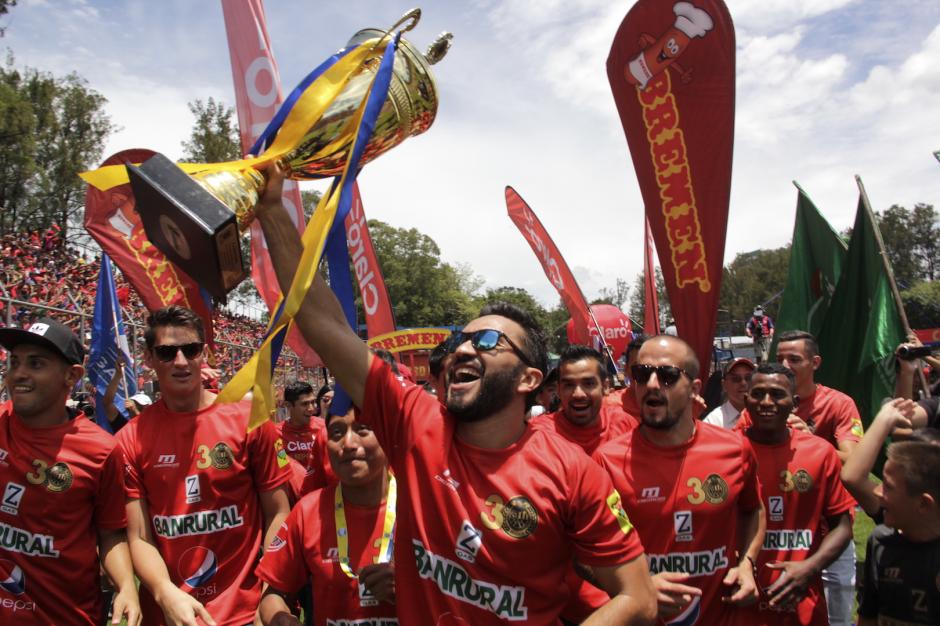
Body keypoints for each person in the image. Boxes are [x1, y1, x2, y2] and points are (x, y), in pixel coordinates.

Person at [255, 167, 657, 625]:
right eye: (460, 341)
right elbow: (324, 323)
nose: (463, 349)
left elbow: (637, 597)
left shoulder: (574, 473)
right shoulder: (416, 422)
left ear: (528, 379)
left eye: (487, 342)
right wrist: (273, 211)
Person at [116, 305, 292, 626]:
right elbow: (139, 537)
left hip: (244, 615)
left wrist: (271, 590)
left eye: (191, 350)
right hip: (170, 616)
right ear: (149, 358)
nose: (181, 361)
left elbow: (278, 512)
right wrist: (164, 592)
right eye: (167, 353)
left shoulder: (250, 420)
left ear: (206, 354)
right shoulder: (130, 438)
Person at [594, 334, 765, 625]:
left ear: (694, 389)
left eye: (667, 376)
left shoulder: (735, 449)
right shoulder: (607, 460)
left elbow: (753, 509)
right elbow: (585, 553)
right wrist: (634, 588)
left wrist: (747, 563)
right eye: (642, 374)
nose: (651, 385)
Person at [0, 317, 140, 625]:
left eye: (36, 363)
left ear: (71, 375)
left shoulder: (101, 451)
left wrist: (126, 586)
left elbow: (110, 533)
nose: (19, 373)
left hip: (65, 616)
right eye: (15, 362)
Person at [257, 407, 397, 626]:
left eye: (363, 429)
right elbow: (273, 594)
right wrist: (281, 618)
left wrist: (412, 586)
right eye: (337, 433)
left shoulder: (420, 506)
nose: (348, 443)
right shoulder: (307, 512)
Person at [739, 363, 854, 625]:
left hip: (803, 605)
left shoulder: (821, 452)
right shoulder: (726, 451)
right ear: (746, 401)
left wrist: (810, 567)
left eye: (777, 394)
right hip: (740, 604)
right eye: (758, 394)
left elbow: (842, 525)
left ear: (794, 402)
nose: (766, 402)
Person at [773, 330, 862, 626]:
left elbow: (854, 460)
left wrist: (810, 441)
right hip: (781, 532)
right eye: (779, 358)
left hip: (830, 531)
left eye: (794, 359)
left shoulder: (838, 403)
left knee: (837, 618)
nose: (785, 366)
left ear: (815, 363)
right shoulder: (765, 403)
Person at [858, 440, 940, 625]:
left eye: (888, 486)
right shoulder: (881, 542)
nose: (877, 491)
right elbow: (868, 616)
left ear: (923, 503)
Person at [530, 345, 636, 455]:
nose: (578, 394)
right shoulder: (538, 433)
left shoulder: (624, 424)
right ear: (559, 390)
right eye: (569, 385)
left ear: (605, 387)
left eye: (588, 384)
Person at [278, 380, 331, 499]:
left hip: (323, 496)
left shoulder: (324, 427)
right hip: (295, 500)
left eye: (313, 402)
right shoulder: (276, 435)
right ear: (288, 405)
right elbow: (282, 466)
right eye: (305, 404)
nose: (311, 408)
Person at [702, 358, 755, 429]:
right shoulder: (713, 422)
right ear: (724, 385)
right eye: (736, 379)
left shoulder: (764, 415)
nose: (743, 383)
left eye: (748, 378)